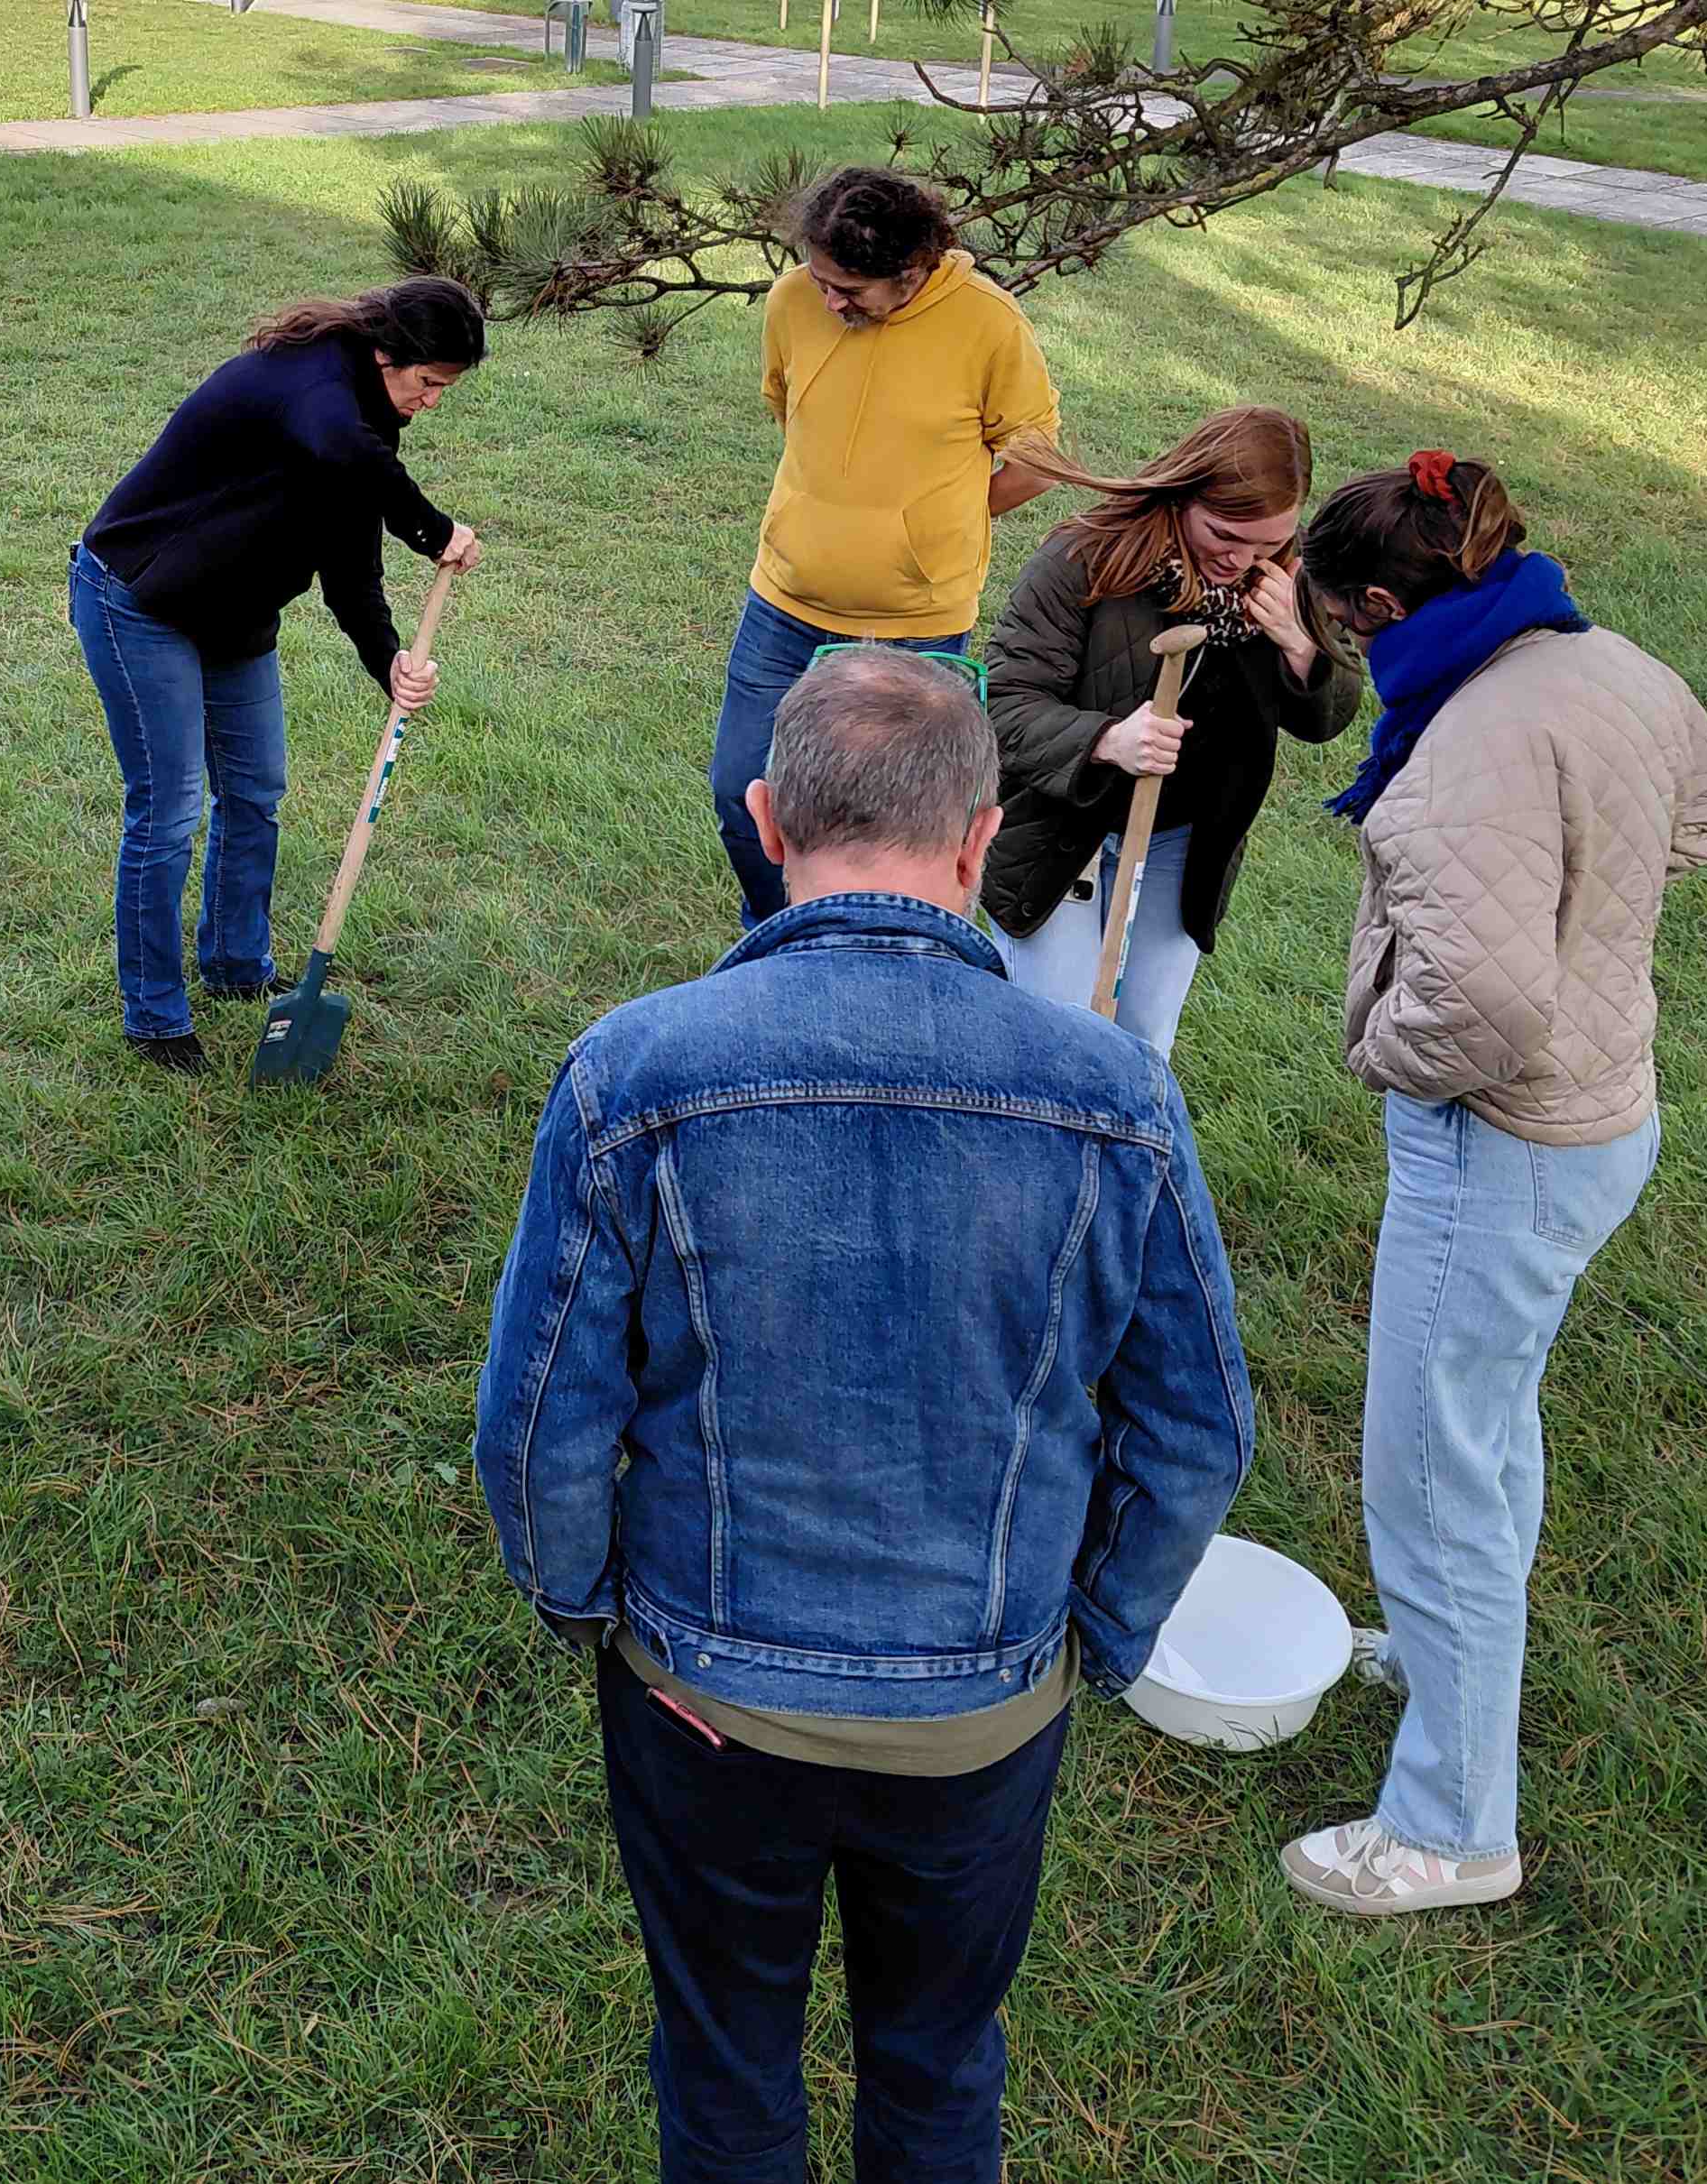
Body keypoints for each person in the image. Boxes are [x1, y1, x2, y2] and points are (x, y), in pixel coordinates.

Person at [473, 647, 1253, 2184]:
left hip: (703, 1693)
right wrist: (1089, 1633)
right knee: (939, 2059)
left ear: (768, 820)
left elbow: (539, 1419)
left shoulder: (635, 1069)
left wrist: (587, 1604)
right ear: (978, 842)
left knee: (724, 2059)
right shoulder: (1115, 1095)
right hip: (983, 1714)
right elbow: (1194, 1434)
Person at [1278, 453, 1707, 1916]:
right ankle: (1439, 1653)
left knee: (1429, 1469)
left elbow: (1484, 1012)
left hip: (1505, 1142)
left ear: (1375, 604)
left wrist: (1381, 1043)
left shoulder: (1468, 746)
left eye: (1341, 629)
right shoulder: (1600, 658)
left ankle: (1449, 1830)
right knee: (1484, 1422)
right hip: (1603, 1122)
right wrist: (1591, 898)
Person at [73, 276, 485, 1074]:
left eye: (446, 389)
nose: (433, 401)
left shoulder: (368, 418)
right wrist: (432, 530)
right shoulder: (313, 383)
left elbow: (349, 564)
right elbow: (339, 451)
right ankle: (155, 1016)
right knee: (169, 811)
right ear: (386, 352)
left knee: (257, 791)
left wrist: (387, 660)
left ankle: (235, 965)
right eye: (429, 383)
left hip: (235, 615)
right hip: (140, 601)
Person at [709, 166, 1061, 929]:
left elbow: (1037, 459)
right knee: (743, 792)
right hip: (785, 602)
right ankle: (781, 936)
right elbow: (790, 410)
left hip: (918, 622)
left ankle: (876, 955)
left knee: (900, 828)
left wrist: (943, 522)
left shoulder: (989, 323)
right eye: (820, 277)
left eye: (851, 290)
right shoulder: (793, 300)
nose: (829, 300)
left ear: (910, 274)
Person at [982, 407, 1363, 1055]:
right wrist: (1106, 741)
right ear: (1186, 493)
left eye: (1268, 544)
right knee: (1057, 1034)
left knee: (1144, 1042)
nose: (1243, 560)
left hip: (1184, 847)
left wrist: (1304, 649)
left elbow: (1324, 717)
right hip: (1058, 834)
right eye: (1225, 535)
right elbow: (1005, 703)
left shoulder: (1283, 582)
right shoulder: (1082, 557)